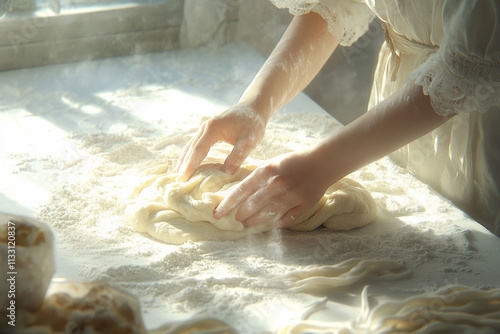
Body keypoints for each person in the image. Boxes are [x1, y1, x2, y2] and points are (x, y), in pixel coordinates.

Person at [176, 0, 500, 236]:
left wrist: (322, 164)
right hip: (397, 115)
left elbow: (465, 72)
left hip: (479, 126)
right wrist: (256, 103)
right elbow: (332, 6)